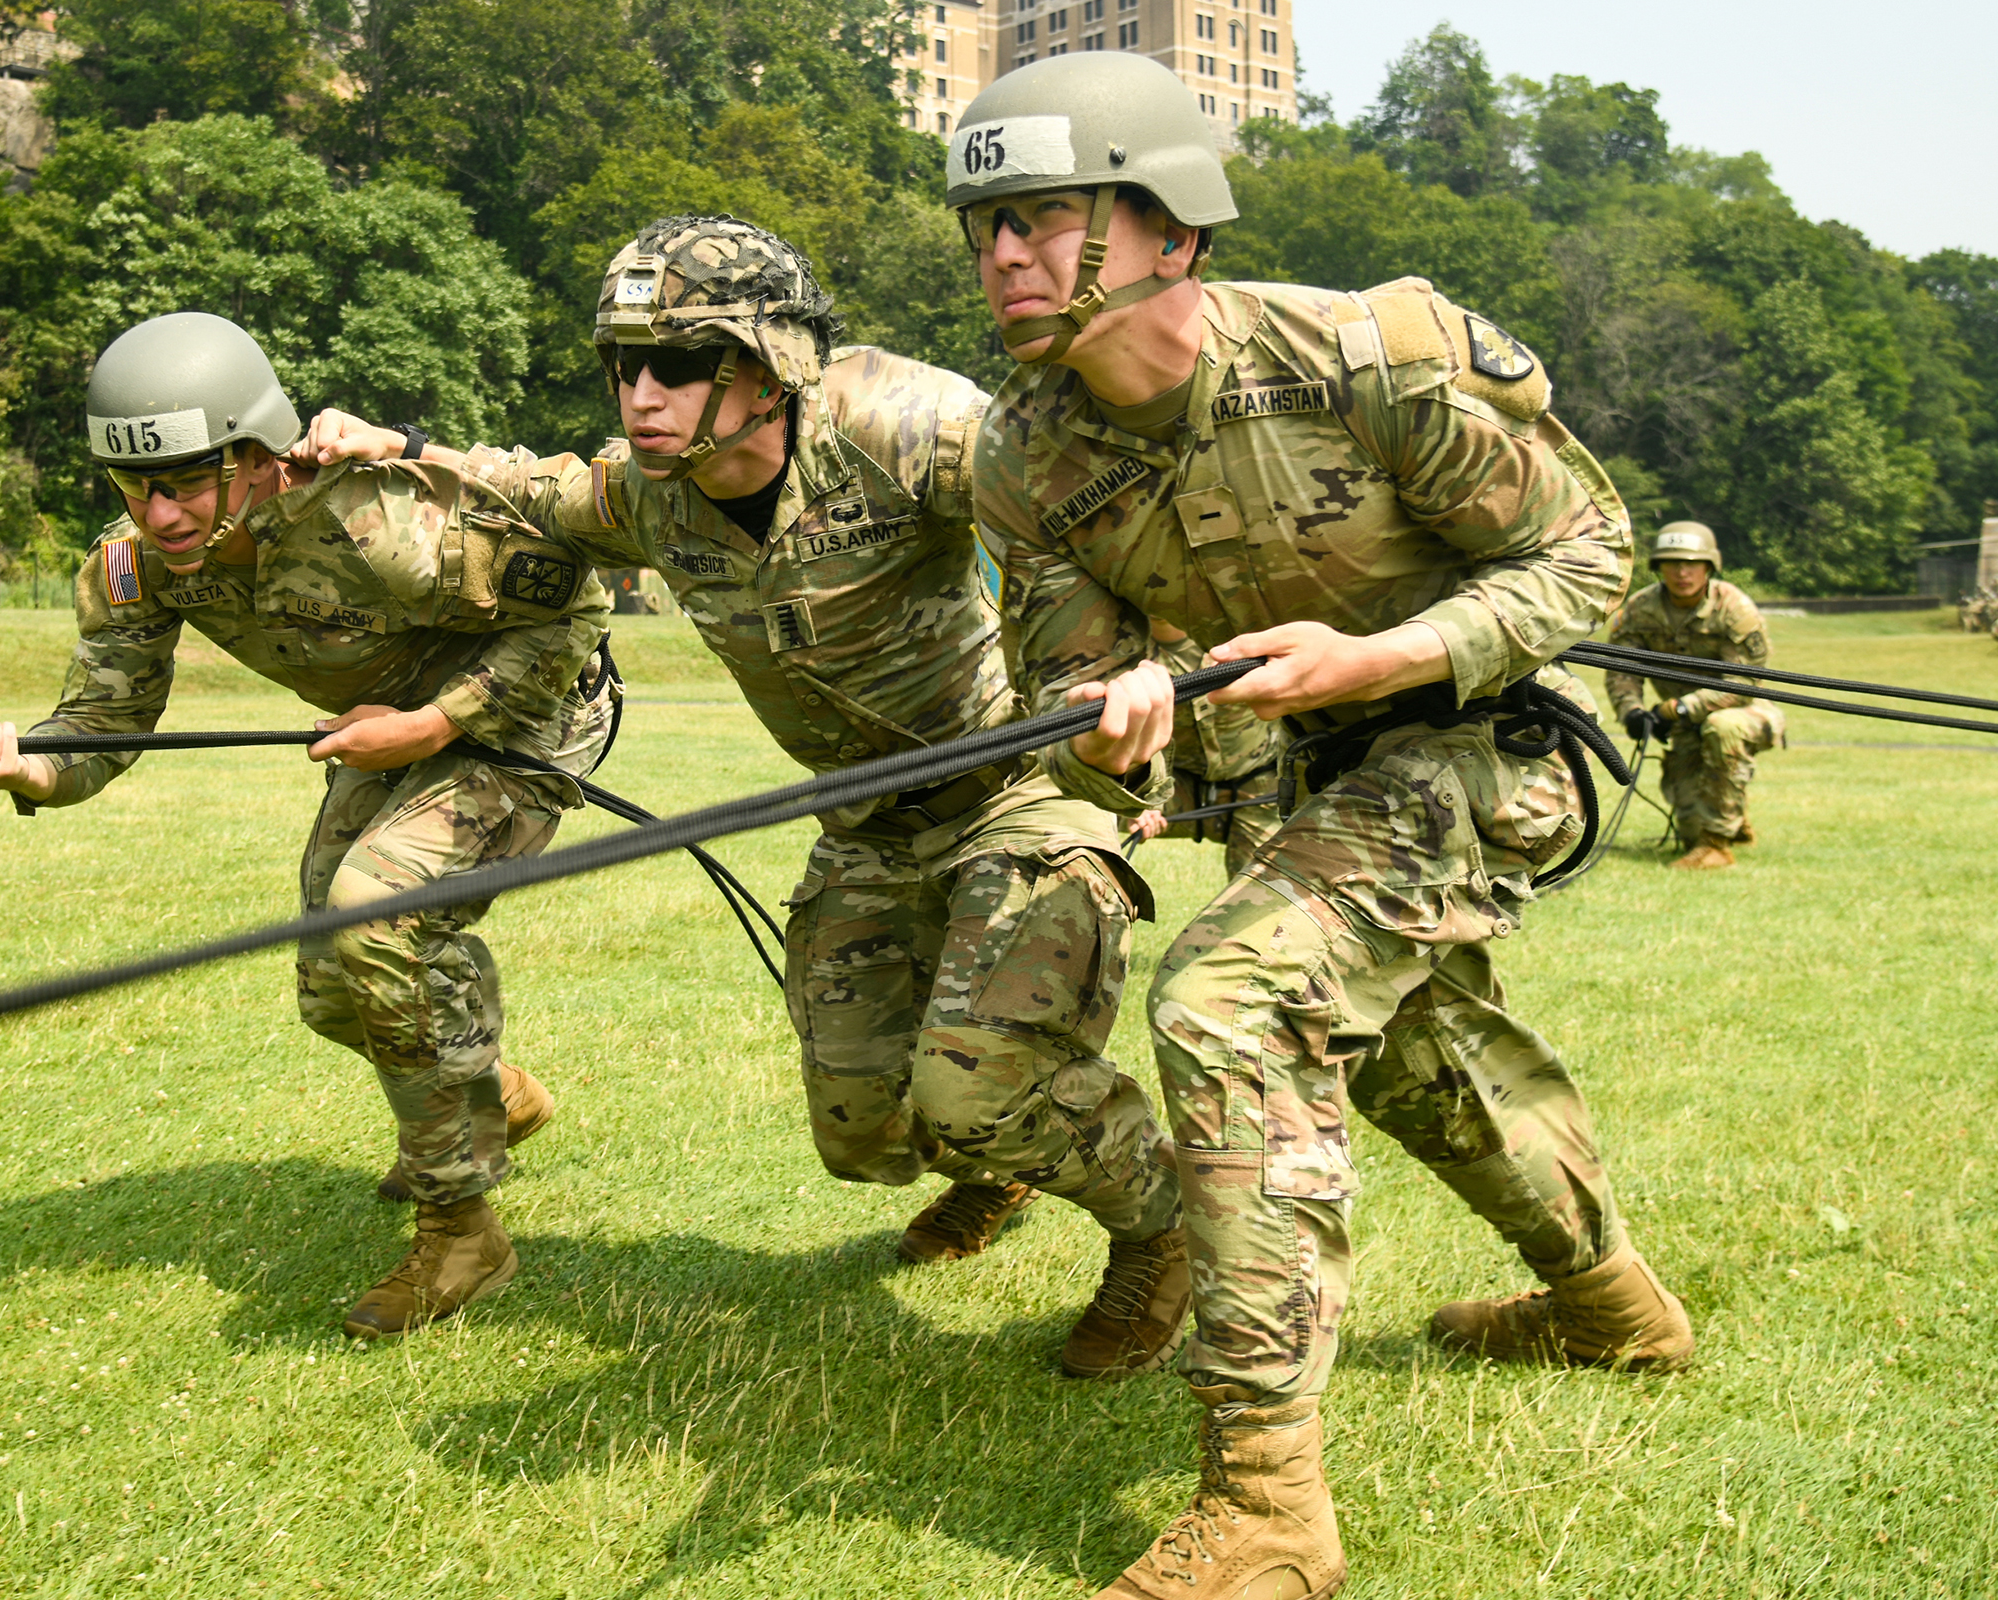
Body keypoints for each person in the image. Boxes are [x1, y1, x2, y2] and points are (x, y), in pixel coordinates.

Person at [953, 55, 1693, 1599]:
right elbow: (1074, 681)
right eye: (984, 228)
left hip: (1481, 748)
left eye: (1041, 217)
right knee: (1421, 1062)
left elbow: (1585, 555)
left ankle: (1268, 1510)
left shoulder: (1373, 354)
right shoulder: (1025, 459)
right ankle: (1611, 1305)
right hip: (1294, 790)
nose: (1001, 257)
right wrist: (1115, 718)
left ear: (1170, 231)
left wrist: (1385, 656)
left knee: (1228, 1002)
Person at [309, 214, 1194, 1380]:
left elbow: (1118, 511)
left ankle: (1164, 1229)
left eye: (677, 362)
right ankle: (1004, 1161)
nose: (642, 393)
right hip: (868, 825)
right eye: (623, 365)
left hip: (1023, 785)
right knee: (865, 1136)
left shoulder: (905, 429)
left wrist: (1146, 699)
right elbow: (535, 489)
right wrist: (399, 444)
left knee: (973, 1080)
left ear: (768, 361)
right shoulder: (651, 494)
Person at [0, 312, 614, 1341]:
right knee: (332, 990)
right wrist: (20, 761)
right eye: (134, 485)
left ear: (255, 454)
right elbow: (104, 722)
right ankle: (486, 1093)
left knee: (376, 913)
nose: (157, 512)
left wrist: (435, 721)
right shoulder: (138, 566)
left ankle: (463, 1234)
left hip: (527, 713)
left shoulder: (379, 522)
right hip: (389, 728)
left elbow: (575, 608)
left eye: (186, 480)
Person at [1606, 522, 1784, 870]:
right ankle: (1732, 824)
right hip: (1683, 724)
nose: (1682, 572)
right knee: (1689, 830)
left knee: (1722, 728)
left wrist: (1677, 708)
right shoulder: (1640, 610)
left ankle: (1718, 844)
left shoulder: (1735, 609)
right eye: (1671, 563)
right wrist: (1632, 712)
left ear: (1709, 567)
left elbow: (1742, 682)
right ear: (1658, 568)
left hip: (1745, 712)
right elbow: (1621, 669)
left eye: (1691, 563)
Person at [1126, 623, 1281, 877]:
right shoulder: (1122, 651)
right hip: (1177, 785)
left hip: (1259, 787)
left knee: (1262, 892)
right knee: (1083, 810)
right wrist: (1141, 797)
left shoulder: (1240, 630)